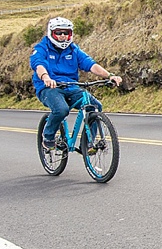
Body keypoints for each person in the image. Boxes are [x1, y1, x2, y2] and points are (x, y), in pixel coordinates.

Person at [30, 17, 122, 150]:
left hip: (71, 86)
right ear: (52, 33)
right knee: (61, 110)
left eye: (66, 33)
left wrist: (109, 75)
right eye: (59, 33)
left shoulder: (73, 50)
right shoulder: (42, 48)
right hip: (49, 88)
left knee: (95, 106)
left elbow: (90, 64)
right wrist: (46, 77)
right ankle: (48, 136)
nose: (62, 36)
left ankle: (88, 143)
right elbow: (38, 64)